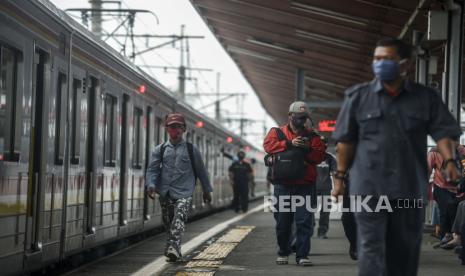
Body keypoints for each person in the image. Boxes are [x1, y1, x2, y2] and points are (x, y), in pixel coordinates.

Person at [332, 38, 462, 276]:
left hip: (408, 188)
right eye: (377, 59)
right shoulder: (358, 97)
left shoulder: (425, 98)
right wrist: (339, 179)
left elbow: (444, 132)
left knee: (404, 252)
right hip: (368, 189)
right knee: (370, 250)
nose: (381, 64)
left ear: (405, 64)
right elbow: (345, 142)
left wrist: (450, 161)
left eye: (388, 59)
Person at [263, 101, 325, 266]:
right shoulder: (276, 132)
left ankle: (302, 255)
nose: (301, 121)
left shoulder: (313, 136)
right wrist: (289, 144)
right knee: (283, 221)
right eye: (298, 117)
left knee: (304, 221)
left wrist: (307, 150)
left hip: (305, 185)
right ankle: (283, 252)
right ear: (290, 116)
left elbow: (319, 157)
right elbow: (268, 146)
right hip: (282, 185)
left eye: (304, 118)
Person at [146, 113, 213, 262]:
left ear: (184, 129)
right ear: (166, 129)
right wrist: (150, 185)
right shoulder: (160, 149)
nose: (174, 130)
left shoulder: (191, 149)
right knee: (168, 222)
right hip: (165, 192)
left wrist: (206, 190)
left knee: (179, 218)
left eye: (177, 127)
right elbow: (153, 169)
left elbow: (201, 171)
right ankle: (173, 247)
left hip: (184, 192)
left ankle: (173, 248)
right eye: (171, 127)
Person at [427, 143, 465, 244]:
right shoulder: (434, 152)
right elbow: (428, 169)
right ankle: (447, 236)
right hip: (441, 187)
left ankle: (453, 237)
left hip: (458, 188)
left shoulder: (461, 150)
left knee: (455, 211)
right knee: (446, 210)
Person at [315, 136, 337, 239]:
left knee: (325, 211)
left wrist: (337, 188)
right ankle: (309, 229)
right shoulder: (311, 156)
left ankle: (322, 232)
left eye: (324, 143)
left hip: (326, 188)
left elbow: (334, 173)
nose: (322, 145)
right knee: (308, 211)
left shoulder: (330, 158)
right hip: (312, 188)